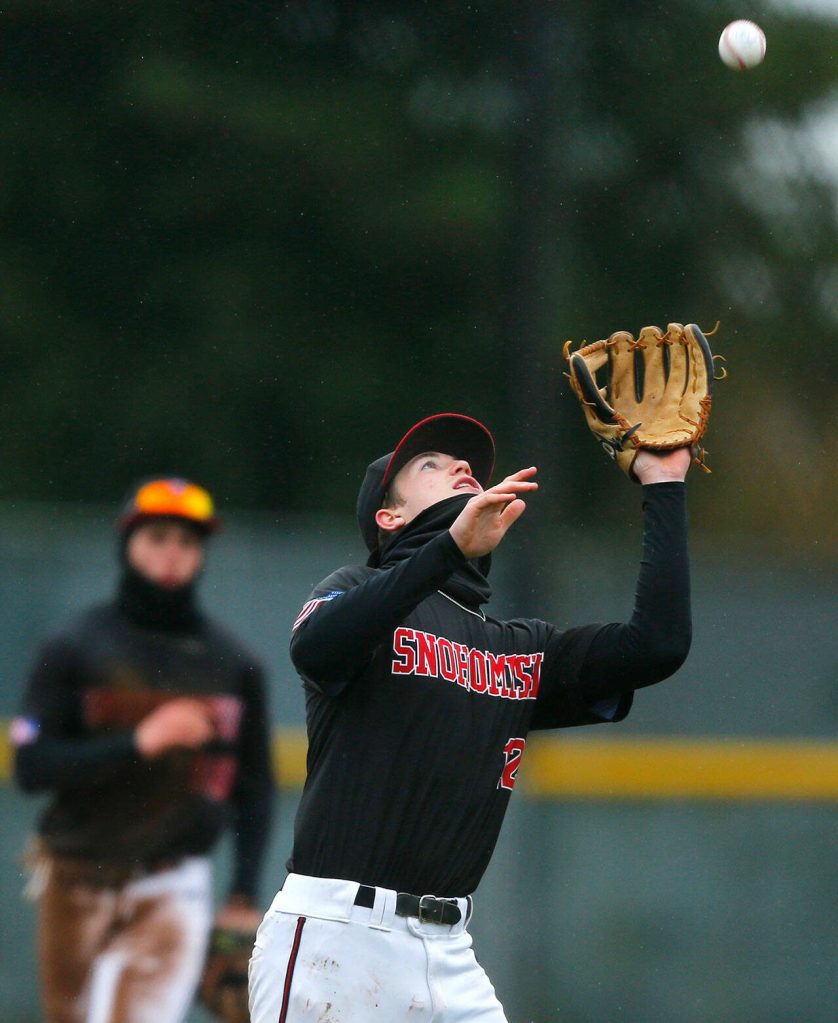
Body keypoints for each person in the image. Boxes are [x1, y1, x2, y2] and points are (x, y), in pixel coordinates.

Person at [248, 412, 693, 1022]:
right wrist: (448, 548)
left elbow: (657, 646)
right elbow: (316, 645)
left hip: (449, 952)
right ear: (390, 518)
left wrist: (664, 483)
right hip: (338, 939)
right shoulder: (357, 589)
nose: (462, 468)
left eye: (468, 467)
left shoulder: (517, 648)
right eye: (430, 465)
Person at [12, 477, 275, 1023]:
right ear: (127, 543)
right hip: (75, 875)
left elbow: (253, 788)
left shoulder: (233, 664)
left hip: (171, 881)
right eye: (157, 537)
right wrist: (139, 742)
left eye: (187, 541)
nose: (172, 554)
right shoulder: (73, 647)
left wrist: (244, 892)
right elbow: (31, 767)